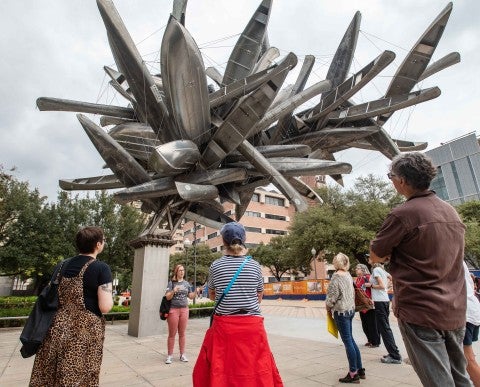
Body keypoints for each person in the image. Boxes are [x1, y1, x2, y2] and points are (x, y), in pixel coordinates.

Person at [370, 152, 470, 386]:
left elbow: (376, 254)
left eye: (391, 176)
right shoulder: (450, 211)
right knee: (459, 376)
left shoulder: (403, 214)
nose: (391, 181)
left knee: (438, 380)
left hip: (420, 310)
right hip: (455, 309)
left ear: (402, 180)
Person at [193, 222, 283, 386]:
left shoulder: (216, 266)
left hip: (225, 329)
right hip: (252, 328)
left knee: (224, 372)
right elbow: (259, 297)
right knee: (257, 371)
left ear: (224, 242)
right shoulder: (255, 266)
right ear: (244, 240)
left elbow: (212, 295)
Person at [29, 226, 113, 386]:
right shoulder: (101, 268)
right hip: (84, 332)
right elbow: (105, 307)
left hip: (55, 328)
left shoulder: (62, 266)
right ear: (98, 244)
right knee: (78, 377)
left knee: (49, 375)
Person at [326, 253, 364, 383]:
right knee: (351, 340)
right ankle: (360, 369)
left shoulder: (336, 277)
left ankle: (353, 374)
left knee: (348, 342)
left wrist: (328, 307)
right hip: (350, 310)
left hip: (341, 312)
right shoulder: (348, 275)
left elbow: (332, 296)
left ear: (336, 263)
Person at [364, 261, 402, 363]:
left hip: (380, 301)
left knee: (384, 328)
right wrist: (386, 286)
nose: (369, 259)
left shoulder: (376, 270)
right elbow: (391, 279)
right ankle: (393, 352)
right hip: (383, 300)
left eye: (370, 258)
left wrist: (370, 285)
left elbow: (380, 285)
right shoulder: (383, 271)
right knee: (385, 327)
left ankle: (395, 355)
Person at [164, 264, 195, 364]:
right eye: (180, 270)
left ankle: (182, 354)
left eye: (183, 270)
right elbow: (167, 297)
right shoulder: (171, 283)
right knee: (172, 334)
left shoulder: (186, 284)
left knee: (182, 334)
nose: (182, 272)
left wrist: (197, 292)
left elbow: (190, 296)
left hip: (184, 310)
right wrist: (174, 290)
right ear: (176, 272)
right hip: (173, 310)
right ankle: (169, 355)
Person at [354, 263, 379, 348]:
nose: (356, 270)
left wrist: (372, 298)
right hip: (361, 304)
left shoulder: (368, 277)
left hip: (369, 303)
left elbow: (374, 288)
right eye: (356, 269)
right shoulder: (358, 279)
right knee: (365, 324)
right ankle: (370, 340)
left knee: (372, 324)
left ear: (363, 269)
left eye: (358, 268)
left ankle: (375, 341)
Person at [464, 261, 480, 386]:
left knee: (467, 358)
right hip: (473, 310)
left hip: (465, 314)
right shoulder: (460, 260)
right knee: (467, 355)